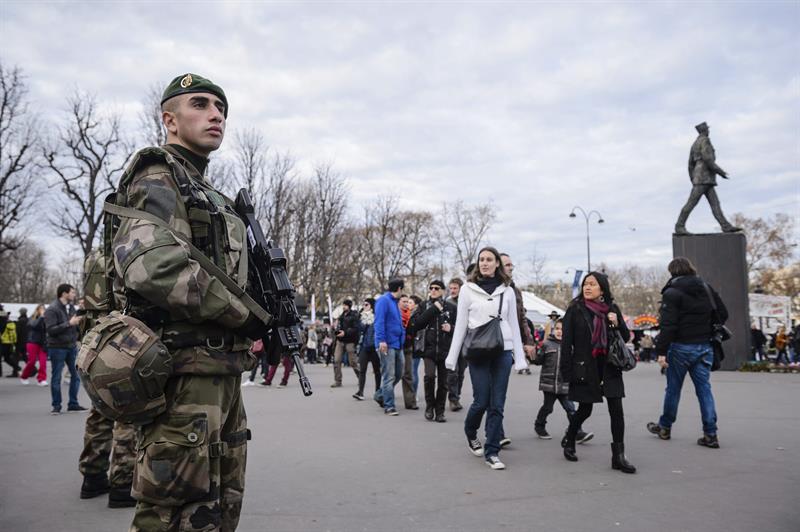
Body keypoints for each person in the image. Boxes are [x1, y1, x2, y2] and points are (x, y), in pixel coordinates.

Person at [113, 73, 267, 530]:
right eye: (200, 104)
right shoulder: (158, 175)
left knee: (217, 508)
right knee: (171, 511)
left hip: (220, 372)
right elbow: (153, 266)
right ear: (169, 119)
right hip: (182, 374)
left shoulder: (207, 191)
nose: (215, 114)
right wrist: (248, 316)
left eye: (221, 108)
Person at [445, 247, 528, 470]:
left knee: (497, 404)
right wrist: (452, 357)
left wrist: (519, 358)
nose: (485, 263)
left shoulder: (508, 291)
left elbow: (515, 326)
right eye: (482, 259)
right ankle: (470, 431)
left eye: (489, 260)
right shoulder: (467, 290)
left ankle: (492, 451)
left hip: (502, 350)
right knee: (481, 400)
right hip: (478, 350)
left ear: (497, 264)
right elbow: (461, 324)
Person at [647, 257, 727, 450]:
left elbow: (668, 325)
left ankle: (665, 427)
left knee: (673, 389)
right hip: (705, 346)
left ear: (672, 272)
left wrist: (661, 351)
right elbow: (723, 314)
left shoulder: (672, 292)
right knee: (704, 390)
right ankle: (710, 433)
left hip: (680, 347)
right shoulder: (706, 288)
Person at [561, 272, 636, 474]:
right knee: (585, 409)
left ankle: (618, 456)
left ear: (601, 289)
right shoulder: (575, 310)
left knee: (616, 410)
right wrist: (566, 372)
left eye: (592, 284)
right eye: (585, 284)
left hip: (610, 366)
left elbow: (626, 337)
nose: (587, 287)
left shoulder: (611, 309)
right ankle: (570, 439)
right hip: (586, 367)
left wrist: (615, 323)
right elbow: (567, 343)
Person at [675, 122, 741, 235]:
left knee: (715, 204)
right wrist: (720, 171)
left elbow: (690, 165)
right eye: (707, 129)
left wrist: (693, 178)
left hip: (702, 178)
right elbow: (708, 159)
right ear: (705, 130)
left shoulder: (695, 143)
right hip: (704, 178)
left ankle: (725, 226)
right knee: (691, 203)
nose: (708, 130)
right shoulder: (705, 140)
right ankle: (679, 226)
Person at [532, 320, 593, 444]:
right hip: (549, 383)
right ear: (554, 330)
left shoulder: (571, 346)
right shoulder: (547, 344)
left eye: (563, 330)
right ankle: (539, 426)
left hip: (565, 383)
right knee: (548, 408)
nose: (560, 331)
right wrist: (533, 354)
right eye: (558, 328)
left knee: (571, 408)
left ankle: (577, 431)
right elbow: (539, 361)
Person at [408, 280, 457, 422]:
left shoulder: (451, 307)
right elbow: (415, 325)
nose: (433, 290)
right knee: (429, 377)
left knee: (443, 383)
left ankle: (440, 411)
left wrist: (451, 329)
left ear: (442, 290)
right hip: (428, 349)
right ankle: (429, 407)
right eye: (431, 288)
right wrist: (433, 309)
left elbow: (460, 328)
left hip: (445, 349)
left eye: (437, 288)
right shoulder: (423, 305)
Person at [44, 284, 86, 414]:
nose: (74, 295)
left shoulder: (71, 307)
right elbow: (50, 330)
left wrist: (82, 311)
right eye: (72, 292)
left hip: (71, 346)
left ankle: (73, 404)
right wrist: (69, 323)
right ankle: (56, 405)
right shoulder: (52, 309)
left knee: (76, 376)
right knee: (56, 377)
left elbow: (75, 323)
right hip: (57, 348)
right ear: (64, 293)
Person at [374, 278, 406, 415]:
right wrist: (381, 340)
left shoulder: (394, 302)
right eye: (402, 289)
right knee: (389, 375)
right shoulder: (383, 301)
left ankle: (380, 395)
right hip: (387, 344)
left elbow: (397, 323)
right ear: (399, 289)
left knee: (399, 373)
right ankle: (389, 405)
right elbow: (379, 321)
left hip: (397, 344)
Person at [446, 277, 467, 412]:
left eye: (455, 288)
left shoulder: (466, 303)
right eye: (451, 288)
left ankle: (456, 396)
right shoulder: (447, 303)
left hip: (465, 343)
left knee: (461, 372)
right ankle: (452, 399)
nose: (452, 291)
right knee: (453, 371)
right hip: (451, 342)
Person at [354, 299, 381, 401]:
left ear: (372, 306)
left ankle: (378, 391)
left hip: (375, 347)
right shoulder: (362, 317)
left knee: (377, 371)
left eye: (366, 304)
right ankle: (360, 392)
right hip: (364, 346)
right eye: (363, 304)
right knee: (362, 370)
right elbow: (360, 330)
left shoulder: (377, 316)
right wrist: (360, 319)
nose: (364, 306)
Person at [331, 299, 361, 387]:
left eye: (345, 305)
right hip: (340, 341)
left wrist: (345, 332)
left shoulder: (354, 315)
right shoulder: (341, 316)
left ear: (349, 306)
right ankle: (338, 381)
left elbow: (356, 329)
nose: (343, 306)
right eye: (343, 305)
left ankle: (361, 378)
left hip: (350, 341)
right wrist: (335, 328)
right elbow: (339, 327)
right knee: (336, 360)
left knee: (352, 362)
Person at [400, 294, 420, 410]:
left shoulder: (413, 315)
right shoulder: (397, 314)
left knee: (409, 374)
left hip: (410, 347)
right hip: (397, 347)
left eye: (409, 302)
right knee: (395, 374)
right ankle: (382, 395)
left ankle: (411, 400)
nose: (407, 304)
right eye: (404, 301)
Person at [20, 304, 48, 385]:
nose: (43, 310)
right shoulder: (32, 318)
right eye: (41, 309)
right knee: (31, 362)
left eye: (44, 309)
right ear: (37, 310)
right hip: (32, 342)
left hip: (43, 343)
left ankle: (41, 379)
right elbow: (34, 325)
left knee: (43, 362)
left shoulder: (46, 319)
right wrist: (41, 317)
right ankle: (24, 376)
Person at [0, 311, 19, 378]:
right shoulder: (10, 323)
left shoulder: (4, 323)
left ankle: (0, 373)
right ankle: (17, 367)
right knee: (7, 358)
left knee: (5, 358)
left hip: (4, 343)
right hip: (8, 343)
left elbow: (3, 333)